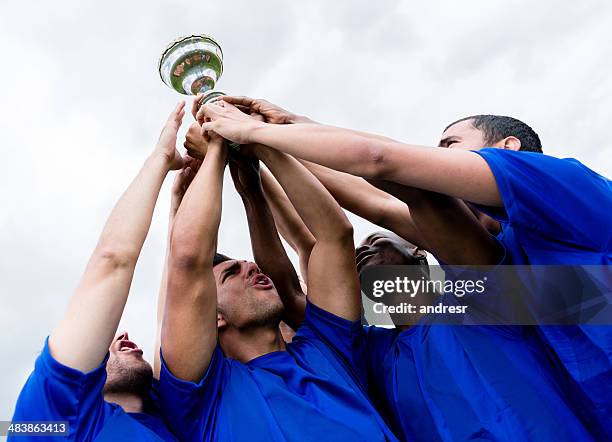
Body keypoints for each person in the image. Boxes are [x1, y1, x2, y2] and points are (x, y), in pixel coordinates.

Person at [199, 98, 610, 440]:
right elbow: (369, 201)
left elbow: (388, 174)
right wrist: (261, 157)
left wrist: (259, 136)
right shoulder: (375, 354)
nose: (366, 254)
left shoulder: (486, 285)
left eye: (447, 147)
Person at [158, 111, 397, 441]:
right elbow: (187, 257)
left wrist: (255, 142)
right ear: (212, 316)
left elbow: (334, 233)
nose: (252, 267)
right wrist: (215, 148)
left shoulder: (329, 348)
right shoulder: (202, 397)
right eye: (231, 274)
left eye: (247, 264)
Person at [10, 103, 190, 441]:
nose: (122, 336)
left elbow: (171, 320)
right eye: (103, 341)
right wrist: (160, 158)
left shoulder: (169, 417)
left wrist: (176, 215)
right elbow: (112, 261)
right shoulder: (51, 415)